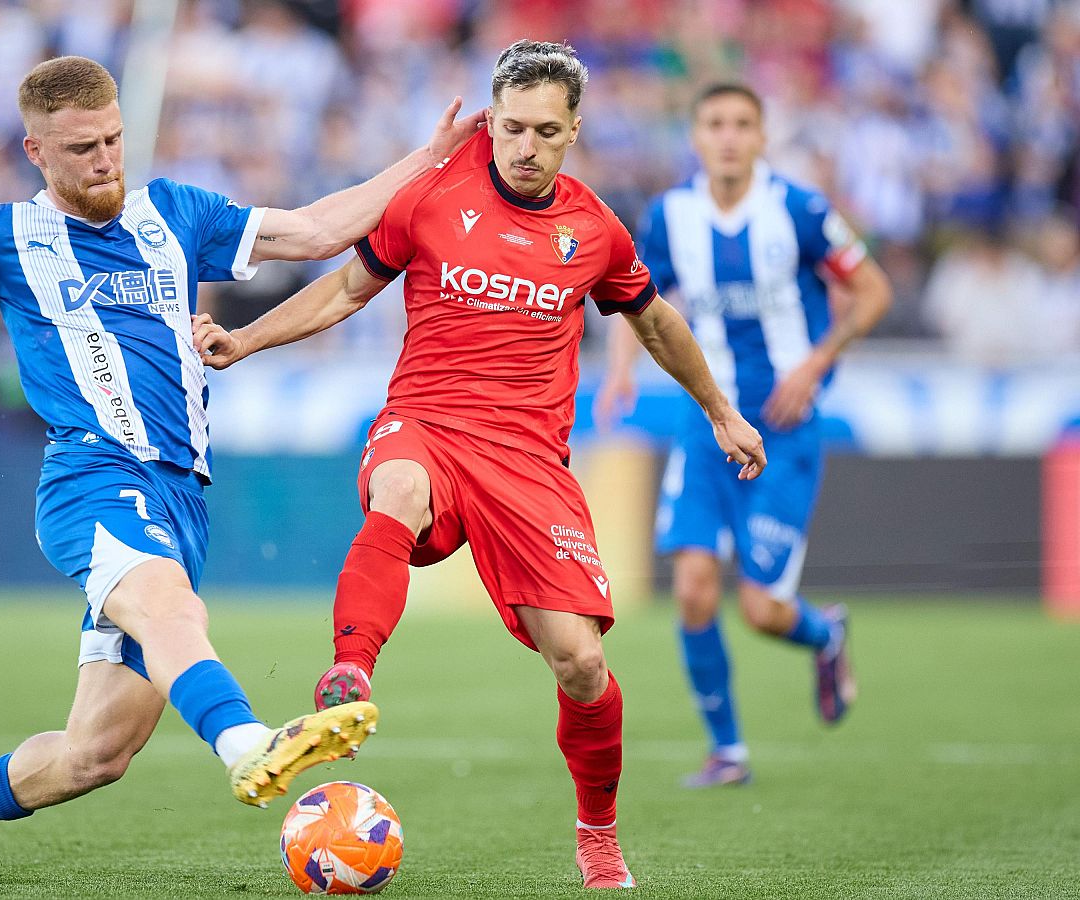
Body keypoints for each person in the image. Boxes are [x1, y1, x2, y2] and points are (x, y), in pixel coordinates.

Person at [0, 56, 483, 881]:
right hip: (91, 477)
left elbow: (316, 230)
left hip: (183, 496)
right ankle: (249, 744)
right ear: (36, 151)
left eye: (114, 139)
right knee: (170, 608)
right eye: (82, 147)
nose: (106, 160)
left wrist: (429, 157)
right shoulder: (1, 235)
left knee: (94, 756)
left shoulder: (176, 213)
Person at [195, 41, 765, 891]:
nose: (523, 147)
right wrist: (243, 341)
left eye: (544, 131)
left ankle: (598, 831)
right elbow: (348, 290)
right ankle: (350, 669)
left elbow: (655, 324)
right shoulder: (430, 194)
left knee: (579, 664)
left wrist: (721, 411)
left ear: (574, 131)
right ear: (489, 122)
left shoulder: (594, 229)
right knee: (397, 489)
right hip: (425, 423)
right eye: (509, 128)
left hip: (530, 463)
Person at [595, 84, 894, 788]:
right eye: (715, 124)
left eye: (742, 124)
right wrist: (618, 372)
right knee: (694, 587)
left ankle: (825, 634)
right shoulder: (672, 215)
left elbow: (873, 289)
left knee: (761, 609)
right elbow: (634, 297)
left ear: (762, 136)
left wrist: (817, 364)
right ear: (695, 136)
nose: (728, 136)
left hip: (786, 429)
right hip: (706, 427)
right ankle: (727, 750)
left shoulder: (799, 209)